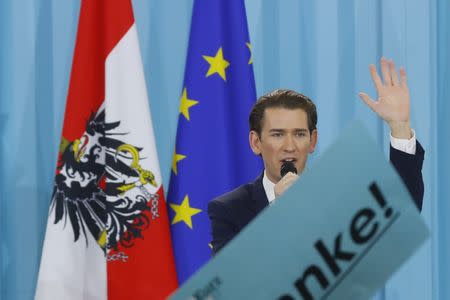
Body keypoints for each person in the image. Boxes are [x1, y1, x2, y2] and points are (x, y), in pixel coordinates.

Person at [207, 58, 425, 255]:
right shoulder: (229, 209)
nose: (289, 146)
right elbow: (231, 286)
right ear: (256, 143)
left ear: (312, 141)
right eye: (277, 134)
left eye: (299, 134)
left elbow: (400, 220)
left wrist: (400, 127)